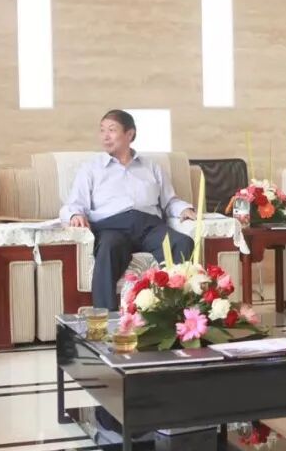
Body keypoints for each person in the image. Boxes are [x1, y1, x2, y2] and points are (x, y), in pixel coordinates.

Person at [60, 110, 196, 310]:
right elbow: (74, 203)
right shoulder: (91, 168)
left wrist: (184, 210)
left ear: (129, 134)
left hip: (149, 227)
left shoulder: (151, 167)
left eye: (112, 130)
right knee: (109, 247)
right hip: (111, 228)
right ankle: (106, 317)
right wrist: (75, 214)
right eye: (102, 130)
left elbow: (169, 201)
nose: (105, 136)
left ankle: (174, 313)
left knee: (182, 242)